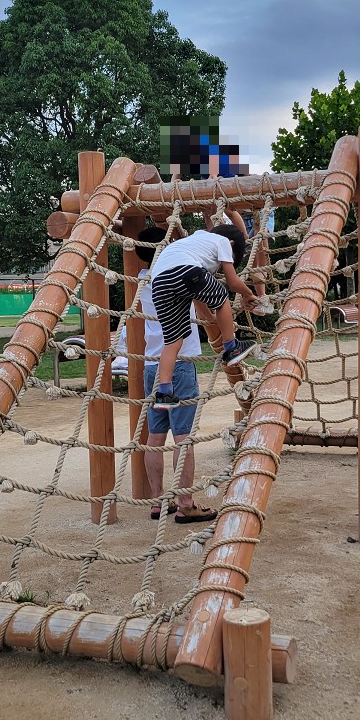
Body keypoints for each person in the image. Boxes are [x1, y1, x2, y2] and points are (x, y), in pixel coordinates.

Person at [136, 227, 217, 524]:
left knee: (156, 437)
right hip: (179, 365)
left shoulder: (142, 280)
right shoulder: (177, 272)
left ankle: (159, 502)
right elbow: (205, 310)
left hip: (151, 366)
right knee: (184, 437)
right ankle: (186, 503)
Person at [150, 225, 259, 409]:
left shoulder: (196, 240)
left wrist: (209, 317)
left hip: (159, 283)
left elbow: (196, 294)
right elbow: (232, 281)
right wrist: (248, 294)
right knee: (222, 298)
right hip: (185, 271)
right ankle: (231, 347)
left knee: (173, 341)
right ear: (231, 244)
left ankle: (164, 393)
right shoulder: (223, 242)